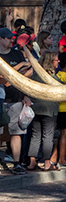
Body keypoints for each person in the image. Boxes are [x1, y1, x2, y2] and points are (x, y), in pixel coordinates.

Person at [0, 27, 33, 174]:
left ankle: (16, 163)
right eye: (8, 38)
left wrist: (26, 95)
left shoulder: (17, 54)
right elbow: (3, 79)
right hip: (1, 99)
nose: (11, 40)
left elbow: (29, 73)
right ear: (0, 39)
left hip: (16, 98)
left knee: (17, 132)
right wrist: (17, 70)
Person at [26, 50, 59, 171]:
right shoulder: (53, 78)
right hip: (49, 110)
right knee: (48, 136)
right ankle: (47, 163)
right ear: (51, 62)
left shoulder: (35, 76)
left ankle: (32, 162)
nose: (58, 61)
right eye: (56, 59)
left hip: (36, 109)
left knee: (35, 135)